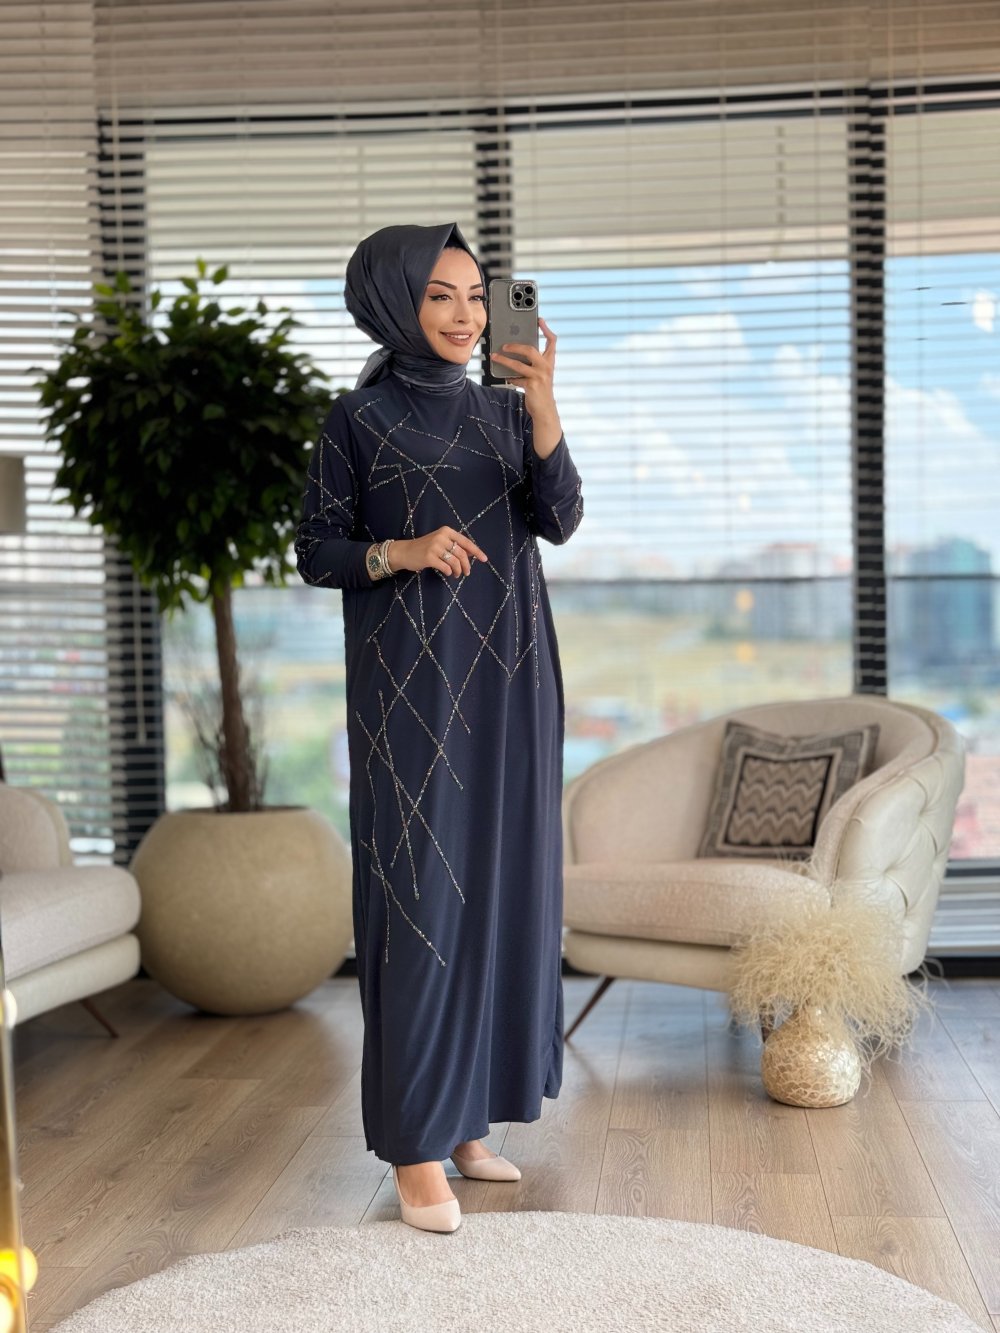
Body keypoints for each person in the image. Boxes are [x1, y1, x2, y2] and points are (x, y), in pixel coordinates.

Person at [295, 222, 584, 1233]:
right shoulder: (359, 419)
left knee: (503, 894)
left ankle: (469, 1124)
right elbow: (317, 550)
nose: (465, 316)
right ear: (392, 302)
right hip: (411, 692)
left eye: (475, 296)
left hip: (512, 678)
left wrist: (544, 410)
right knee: (421, 901)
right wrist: (404, 550)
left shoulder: (507, 410)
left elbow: (559, 518)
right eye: (439, 296)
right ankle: (415, 1145)